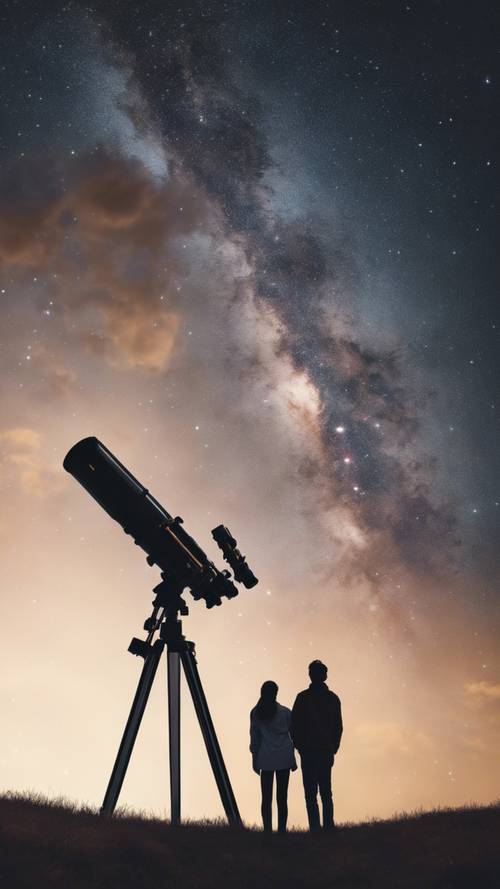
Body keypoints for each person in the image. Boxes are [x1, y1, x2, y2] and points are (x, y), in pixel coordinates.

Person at [291, 660, 343, 832]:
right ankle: (328, 827)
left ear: (310, 675)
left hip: (310, 752)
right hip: (325, 751)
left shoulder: (302, 698)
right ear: (325, 675)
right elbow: (338, 727)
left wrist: (300, 747)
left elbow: (294, 726)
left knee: (311, 794)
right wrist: (333, 747)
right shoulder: (333, 699)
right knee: (326, 792)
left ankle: (315, 828)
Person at [250, 680, 297, 832]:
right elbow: (294, 736)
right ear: (276, 693)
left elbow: (255, 738)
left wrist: (254, 758)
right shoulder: (286, 712)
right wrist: (294, 759)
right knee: (282, 798)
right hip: (284, 757)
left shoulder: (256, 713)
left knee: (266, 798)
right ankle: (282, 830)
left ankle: (267, 830)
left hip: (266, 758)